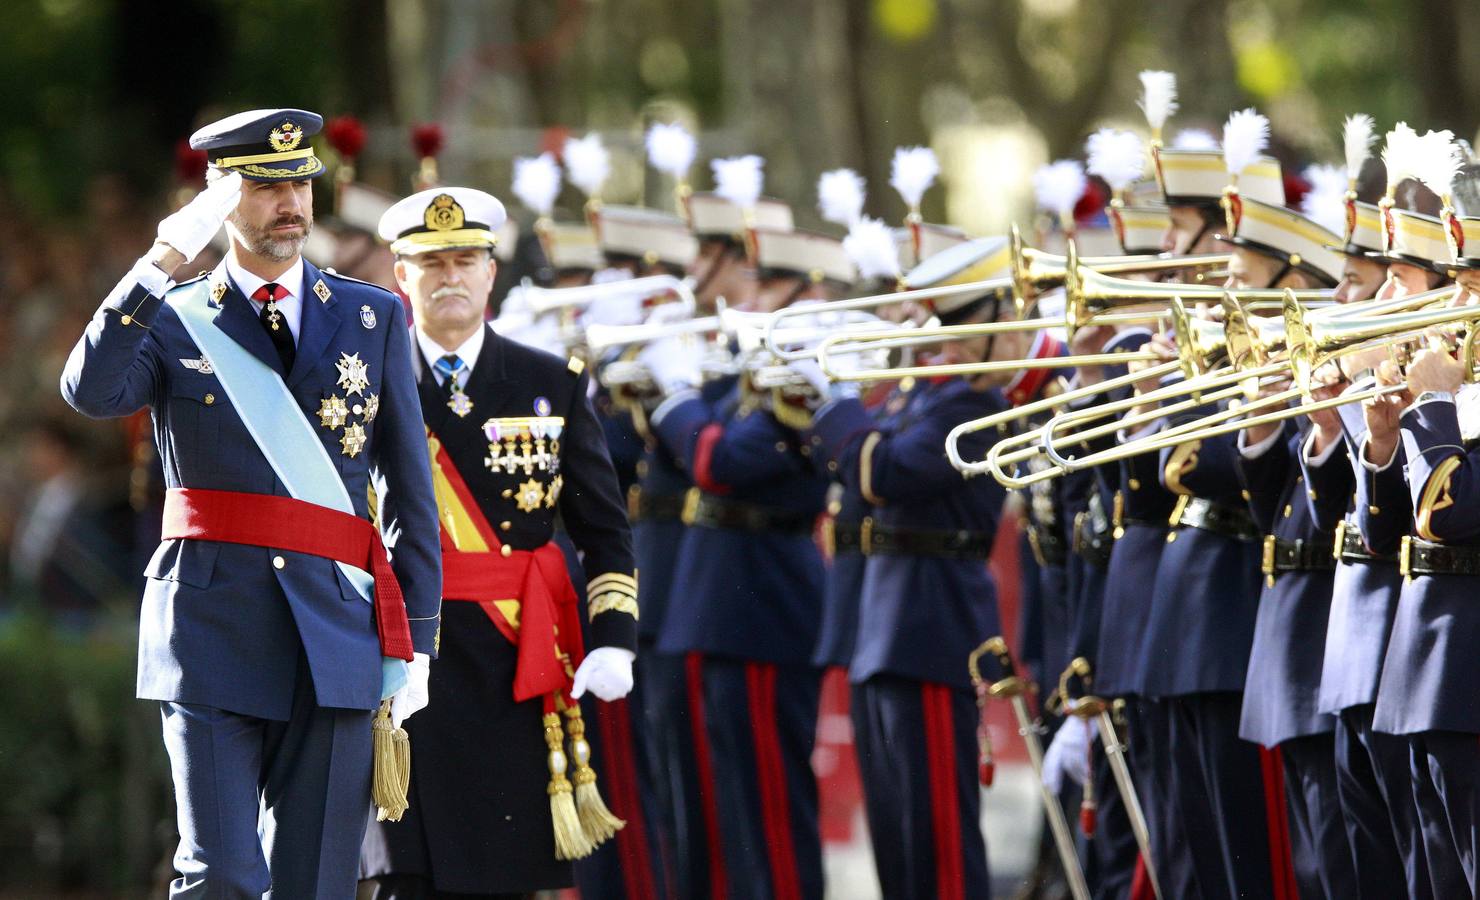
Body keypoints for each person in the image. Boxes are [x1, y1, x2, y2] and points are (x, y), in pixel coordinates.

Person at [60, 108, 442, 898]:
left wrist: (420, 639)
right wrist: (163, 259)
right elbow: (89, 392)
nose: (291, 204)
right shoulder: (170, 314)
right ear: (219, 199)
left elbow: (409, 490)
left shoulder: (373, 315)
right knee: (221, 875)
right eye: (265, 187)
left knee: (315, 880)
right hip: (208, 629)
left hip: (336, 633)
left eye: (299, 182)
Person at [360, 187, 640, 899]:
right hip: (401, 660)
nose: (449, 276)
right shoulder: (362, 382)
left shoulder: (553, 384)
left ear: (492, 272)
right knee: (406, 877)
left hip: (516, 665)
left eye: (465, 260)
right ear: (401, 275)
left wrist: (613, 637)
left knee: (502, 876)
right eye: (431, 263)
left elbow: (603, 529)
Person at [805, 237, 1031, 900]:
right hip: (889, 628)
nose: (948, 344)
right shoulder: (924, 397)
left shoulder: (974, 406)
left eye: (962, 328)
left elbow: (884, 472)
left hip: (932, 631)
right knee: (900, 840)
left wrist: (835, 404)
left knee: (938, 844)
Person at [635, 226, 851, 900]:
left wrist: (673, 395)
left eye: (766, 284)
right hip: (722, 602)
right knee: (729, 808)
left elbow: (718, 461)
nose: (749, 296)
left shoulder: (810, 371)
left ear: (808, 291)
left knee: (770, 812)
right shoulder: (756, 370)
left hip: (761, 603)